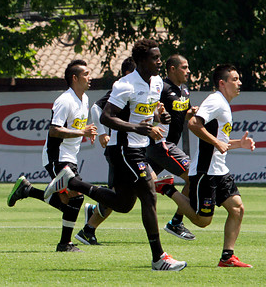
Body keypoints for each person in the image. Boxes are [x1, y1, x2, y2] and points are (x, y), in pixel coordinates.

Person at [43, 39, 187, 271]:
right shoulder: (125, 85)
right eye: (154, 57)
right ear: (141, 61)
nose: (159, 61)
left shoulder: (158, 82)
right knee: (149, 195)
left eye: (160, 57)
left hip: (137, 147)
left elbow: (146, 112)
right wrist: (137, 128)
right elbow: (107, 117)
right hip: (124, 149)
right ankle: (159, 258)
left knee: (123, 204)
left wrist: (160, 117)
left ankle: (73, 182)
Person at [77, 55, 199, 244]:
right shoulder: (142, 86)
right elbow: (102, 110)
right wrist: (104, 133)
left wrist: (169, 116)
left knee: (124, 197)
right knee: (190, 176)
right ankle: (173, 225)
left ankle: (89, 226)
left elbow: (159, 112)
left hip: (144, 145)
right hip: (154, 145)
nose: (188, 71)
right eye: (184, 67)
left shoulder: (179, 89)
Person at [156, 64, 254, 268]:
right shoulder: (215, 101)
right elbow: (193, 123)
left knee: (237, 208)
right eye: (235, 79)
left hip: (220, 170)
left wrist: (239, 143)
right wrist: (218, 142)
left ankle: (227, 257)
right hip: (205, 172)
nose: (239, 83)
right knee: (202, 221)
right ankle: (166, 187)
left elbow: (219, 140)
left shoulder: (224, 104)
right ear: (222, 83)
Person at [6, 60, 97, 252]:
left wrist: (85, 133)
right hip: (57, 156)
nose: (91, 77)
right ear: (75, 78)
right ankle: (65, 244)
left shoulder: (85, 99)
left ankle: (28, 190)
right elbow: (54, 131)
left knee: (68, 203)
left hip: (71, 156)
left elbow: (76, 128)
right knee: (76, 197)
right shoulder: (65, 100)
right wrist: (83, 133)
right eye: (86, 74)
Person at [74, 57, 136, 246]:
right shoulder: (123, 87)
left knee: (120, 197)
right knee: (121, 197)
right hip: (120, 149)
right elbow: (96, 107)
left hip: (135, 148)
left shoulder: (142, 88)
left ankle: (91, 221)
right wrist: (102, 133)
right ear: (128, 73)